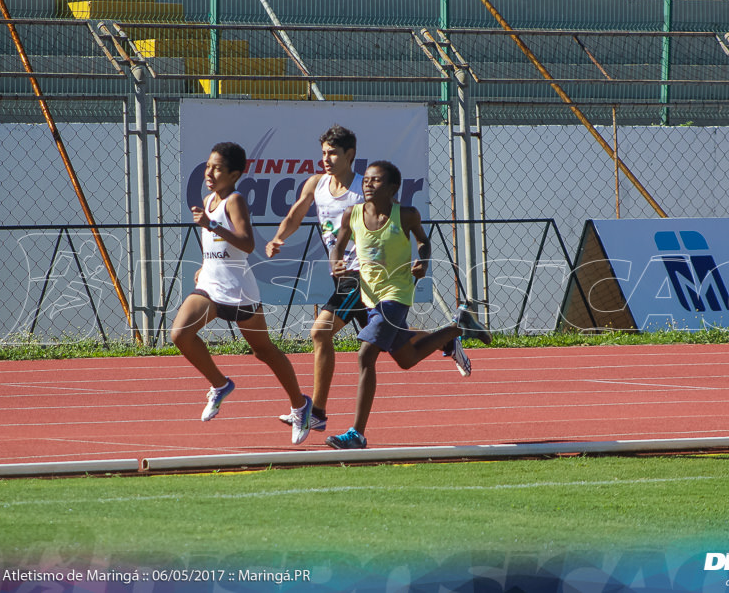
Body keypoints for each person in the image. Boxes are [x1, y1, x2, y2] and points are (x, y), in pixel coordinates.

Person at [266, 126, 471, 435]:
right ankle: (447, 337)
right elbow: (296, 213)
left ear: (350, 155)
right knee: (402, 352)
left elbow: (394, 229)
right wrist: (278, 238)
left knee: (320, 332)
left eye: (333, 153)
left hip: (360, 277)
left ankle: (317, 412)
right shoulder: (316, 184)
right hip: (345, 277)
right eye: (323, 153)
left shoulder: (364, 192)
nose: (326, 159)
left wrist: (407, 262)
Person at [324, 160, 491, 450]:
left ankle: (357, 434)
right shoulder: (352, 214)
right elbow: (339, 244)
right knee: (406, 359)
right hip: (370, 297)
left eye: (376, 181)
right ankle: (456, 329)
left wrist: (423, 261)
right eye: (367, 180)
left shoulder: (406, 215)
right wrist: (335, 262)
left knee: (365, 356)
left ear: (392, 188)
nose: (368, 184)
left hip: (396, 295)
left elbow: (423, 242)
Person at [170, 142, 313, 445]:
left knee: (264, 351)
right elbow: (214, 244)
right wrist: (204, 264)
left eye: (218, 168)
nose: (209, 172)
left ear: (234, 174)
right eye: (208, 166)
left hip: (238, 290)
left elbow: (247, 244)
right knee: (180, 334)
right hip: (210, 285)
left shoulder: (234, 200)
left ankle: (300, 405)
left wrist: (212, 225)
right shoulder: (208, 200)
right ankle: (220, 384)